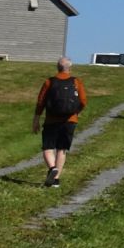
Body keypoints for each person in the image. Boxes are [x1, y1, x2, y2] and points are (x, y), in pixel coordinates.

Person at [33, 57, 87, 188]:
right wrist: (76, 113)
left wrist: (36, 118)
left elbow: (41, 102)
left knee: (47, 147)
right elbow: (83, 101)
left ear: (57, 67)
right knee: (61, 150)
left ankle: (52, 168)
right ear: (70, 68)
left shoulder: (49, 82)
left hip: (52, 120)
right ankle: (56, 180)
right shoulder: (76, 82)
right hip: (70, 120)